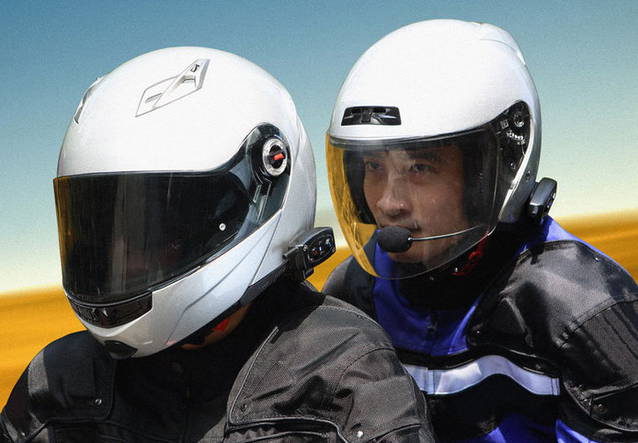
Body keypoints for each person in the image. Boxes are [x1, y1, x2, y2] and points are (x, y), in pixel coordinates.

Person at [0, 47, 434, 442]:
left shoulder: (343, 376)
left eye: (154, 232)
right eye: (104, 232)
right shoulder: (58, 381)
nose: (120, 256)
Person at [324, 19, 638, 442]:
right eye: (373, 167)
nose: (387, 203)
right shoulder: (357, 291)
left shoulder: (583, 309)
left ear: (491, 174)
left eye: (420, 167)